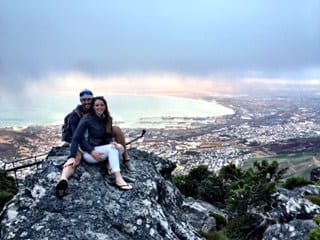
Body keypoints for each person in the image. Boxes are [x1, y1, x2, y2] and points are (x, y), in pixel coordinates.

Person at [56, 90, 134, 196]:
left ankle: (126, 159)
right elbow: (77, 138)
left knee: (117, 132)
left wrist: (111, 142)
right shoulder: (76, 116)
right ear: (81, 101)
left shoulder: (101, 116)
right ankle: (63, 179)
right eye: (84, 100)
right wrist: (88, 152)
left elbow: (104, 133)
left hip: (94, 142)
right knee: (75, 160)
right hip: (80, 142)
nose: (87, 102)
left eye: (89, 99)